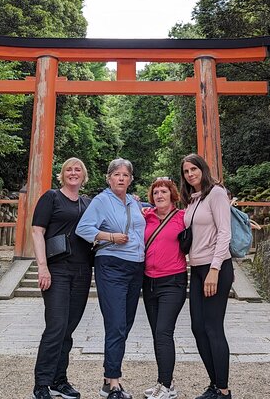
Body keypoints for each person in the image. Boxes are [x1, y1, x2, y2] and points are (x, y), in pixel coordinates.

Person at [75, 158, 146, 399]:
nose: (121, 178)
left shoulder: (134, 203)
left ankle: (108, 376)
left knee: (124, 324)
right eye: (117, 174)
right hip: (111, 265)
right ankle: (114, 383)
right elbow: (83, 229)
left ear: (131, 179)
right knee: (115, 324)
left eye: (126, 174)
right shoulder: (102, 200)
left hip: (136, 267)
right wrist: (111, 237)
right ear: (109, 178)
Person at [31, 158, 93, 399]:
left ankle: (59, 379)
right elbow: (38, 231)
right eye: (69, 169)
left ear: (84, 175)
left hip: (82, 270)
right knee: (56, 326)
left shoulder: (88, 203)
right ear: (62, 174)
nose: (73, 173)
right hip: (57, 269)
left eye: (78, 170)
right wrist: (42, 267)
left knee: (68, 328)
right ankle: (41, 383)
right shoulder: (52, 197)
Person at [180, 154, 233, 399]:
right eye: (186, 171)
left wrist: (215, 269)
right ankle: (214, 383)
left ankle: (223, 389)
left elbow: (224, 232)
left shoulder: (217, 194)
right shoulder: (192, 200)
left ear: (203, 169)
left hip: (216, 268)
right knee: (197, 328)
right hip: (197, 268)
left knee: (212, 327)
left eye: (194, 169)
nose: (190, 174)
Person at [142, 178, 187, 399]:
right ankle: (162, 381)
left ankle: (167, 386)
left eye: (164, 191)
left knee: (163, 332)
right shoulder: (146, 217)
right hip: (149, 281)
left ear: (172, 195)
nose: (159, 195)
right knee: (156, 334)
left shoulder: (182, 217)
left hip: (173, 280)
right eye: (156, 192)